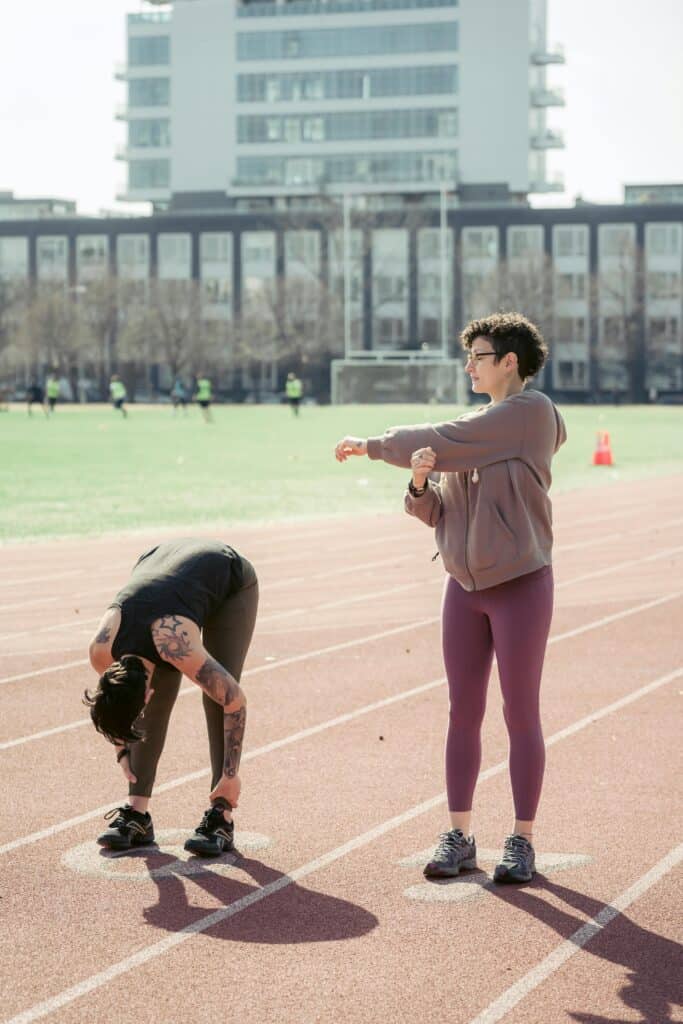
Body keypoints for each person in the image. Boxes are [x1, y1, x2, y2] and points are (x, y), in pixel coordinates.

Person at [334, 312, 567, 884]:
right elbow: (436, 510)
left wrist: (371, 446)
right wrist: (417, 485)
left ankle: (522, 840)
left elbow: (451, 440)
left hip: (520, 586)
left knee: (520, 712)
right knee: (463, 712)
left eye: (478, 358)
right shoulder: (477, 427)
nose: (468, 367)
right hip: (463, 589)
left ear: (509, 362)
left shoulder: (530, 415)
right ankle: (460, 834)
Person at [84, 538, 258, 856]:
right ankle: (137, 812)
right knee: (154, 702)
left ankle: (222, 815)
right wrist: (121, 750)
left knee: (217, 697)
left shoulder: (174, 641)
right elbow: (114, 704)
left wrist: (231, 776)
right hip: (159, 564)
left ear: (145, 692)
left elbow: (236, 702)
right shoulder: (102, 651)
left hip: (225, 576)